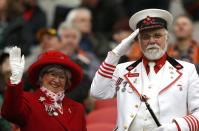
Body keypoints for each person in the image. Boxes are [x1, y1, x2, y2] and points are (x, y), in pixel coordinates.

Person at [90, 9, 199, 131]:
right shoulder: (123, 70)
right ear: (139, 42)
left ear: (167, 38)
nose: (152, 41)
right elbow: (97, 92)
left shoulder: (187, 70)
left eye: (157, 35)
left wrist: (177, 127)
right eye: (145, 37)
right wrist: (115, 54)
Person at [1, 47, 87, 131]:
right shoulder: (28, 100)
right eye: (52, 75)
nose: (57, 80)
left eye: (62, 77)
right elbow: (10, 113)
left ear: (67, 82)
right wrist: (15, 79)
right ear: (41, 77)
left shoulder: (77, 108)